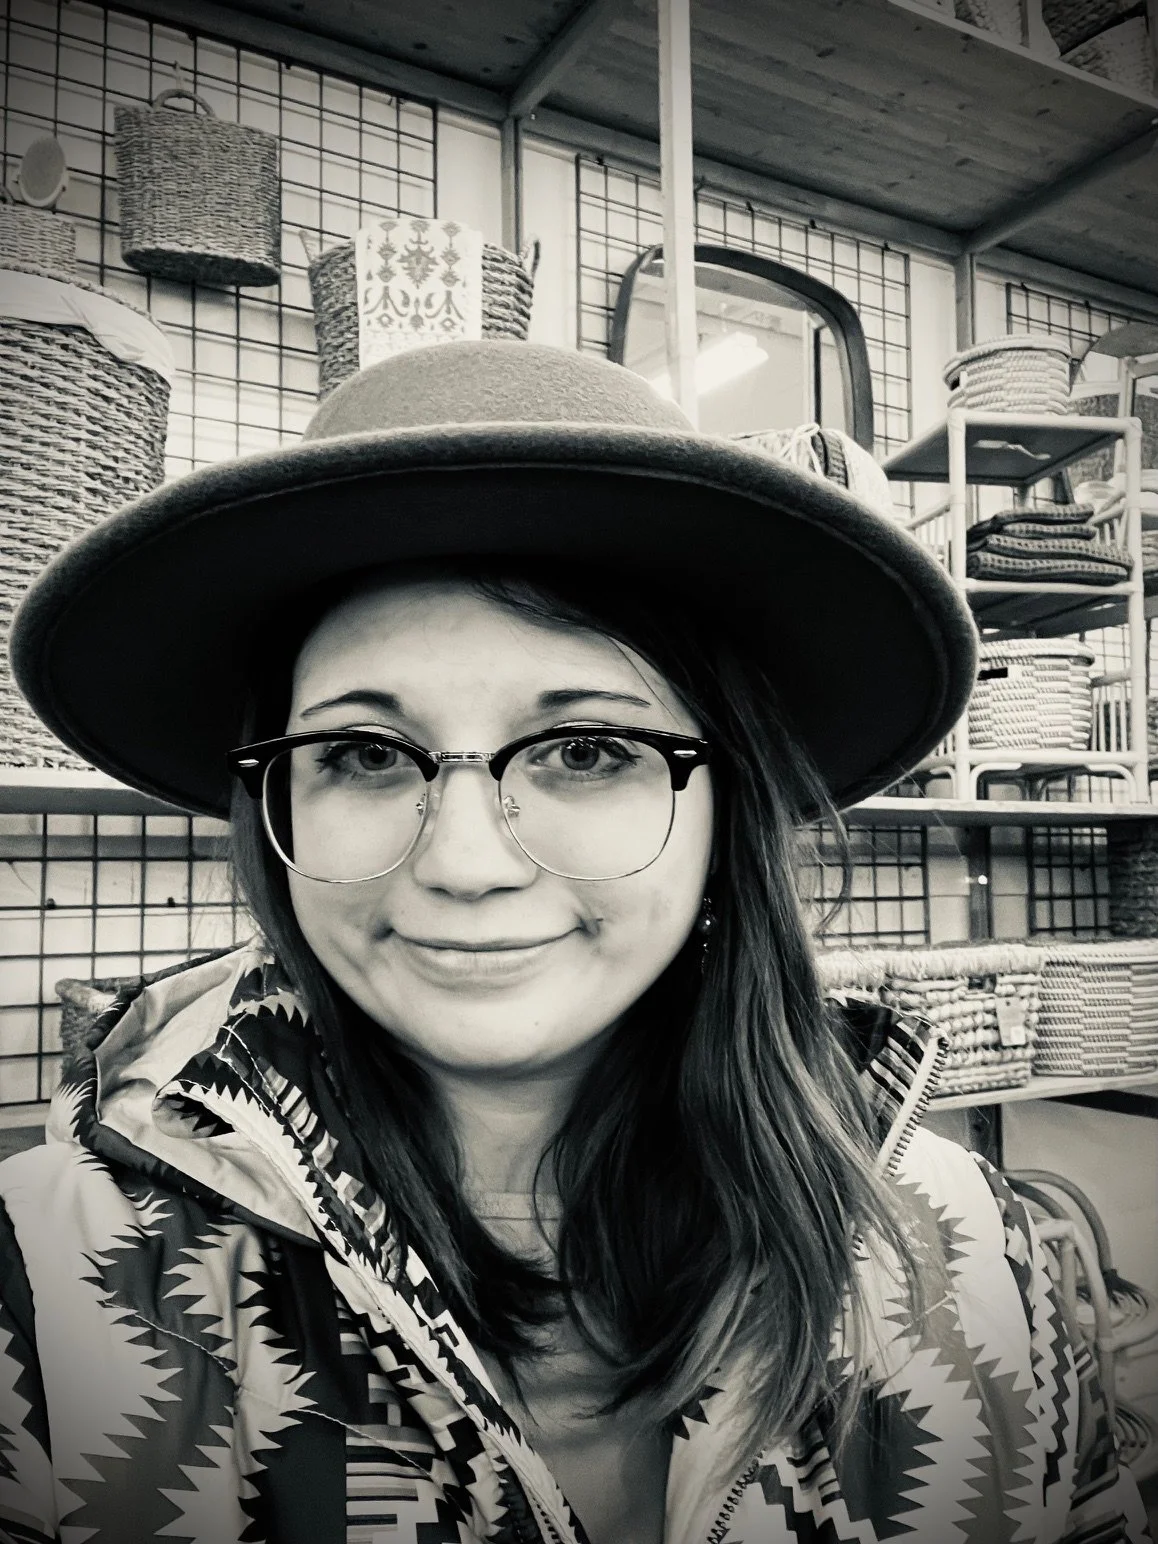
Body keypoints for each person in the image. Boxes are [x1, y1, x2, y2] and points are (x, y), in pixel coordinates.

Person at [0, 341, 1149, 1544]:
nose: (466, 861)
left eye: (588, 750)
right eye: (365, 753)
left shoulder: (986, 1266)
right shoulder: (48, 1297)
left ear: (729, 809)